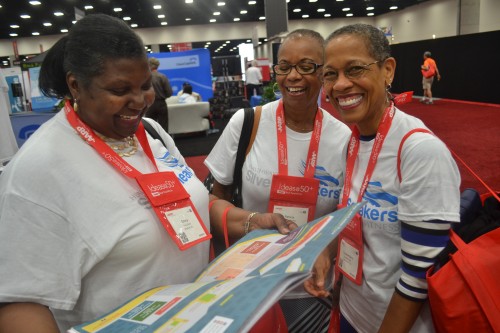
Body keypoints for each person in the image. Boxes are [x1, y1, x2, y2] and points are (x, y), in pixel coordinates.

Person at [0, 14, 295, 333]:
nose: (140, 101)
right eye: (119, 89)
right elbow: (19, 301)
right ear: (76, 85)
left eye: (145, 86)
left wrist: (250, 221)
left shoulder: (150, 133)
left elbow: (189, 203)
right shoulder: (38, 168)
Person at [305, 23, 460, 332]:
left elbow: (418, 277)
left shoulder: (419, 151)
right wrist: (328, 253)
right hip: (351, 310)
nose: (340, 85)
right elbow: (353, 217)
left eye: (355, 70)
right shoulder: (354, 140)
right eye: (331, 75)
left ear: (387, 70)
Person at [205, 29, 352, 332]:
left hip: (313, 287)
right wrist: (255, 220)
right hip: (250, 282)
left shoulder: (345, 138)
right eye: (284, 67)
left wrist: (328, 249)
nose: (292, 76)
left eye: (306, 66)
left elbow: (348, 215)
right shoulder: (248, 123)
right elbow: (213, 198)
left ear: (324, 73)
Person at [145, 57, 173, 131]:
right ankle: (164, 142)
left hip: (149, 104)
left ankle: (151, 142)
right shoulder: (162, 76)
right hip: (161, 104)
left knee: (149, 127)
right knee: (164, 127)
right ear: (157, 65)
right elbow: (169, 92)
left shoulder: (145, 77)